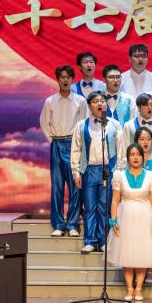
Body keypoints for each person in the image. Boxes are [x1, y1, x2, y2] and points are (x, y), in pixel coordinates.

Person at [70, 91, 121, 254]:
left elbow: (120, 151)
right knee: (90, 206)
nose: (100, 104)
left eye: (102, 101)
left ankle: (104, 240)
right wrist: (76, 173)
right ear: (89, 105)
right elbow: (76, 150)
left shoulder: (114, 125)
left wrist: (118, 172)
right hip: (90, 170)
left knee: (104, 207)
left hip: (108, 170)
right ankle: (90, 240)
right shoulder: (81, 125)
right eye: (95, 101)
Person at [40, 65, 87, 237]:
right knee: (57, 187)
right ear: (57, 79)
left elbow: (82, 124)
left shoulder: (80, 101)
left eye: (68, 77)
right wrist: (53, 141)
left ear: (73, 79)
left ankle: (73, 224)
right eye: (62, 77)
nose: (65, 80)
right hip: (57, 144)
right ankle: (58, 224)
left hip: (73, 144)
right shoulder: (50, 101)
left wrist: (78, 145)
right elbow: (44, 123)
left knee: (76, 186)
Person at [107, 145, 152, 302]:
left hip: (145, 217)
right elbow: (115, 199)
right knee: (127, 253)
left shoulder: (151, 176)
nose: (135, 157)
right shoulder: (120, 176)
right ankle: (130, 287)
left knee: (143, 253)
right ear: (128, 158)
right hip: (126, 217)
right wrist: (113, 219)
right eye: (132, 154)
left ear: (143, 157)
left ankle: (139, 288)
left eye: (138, 154)